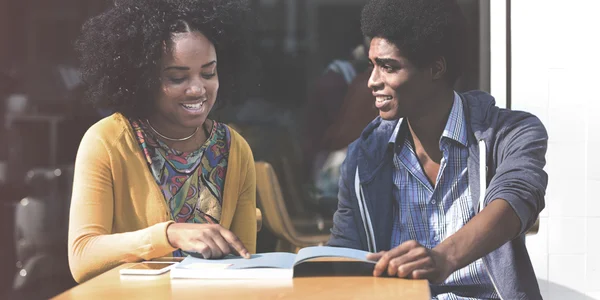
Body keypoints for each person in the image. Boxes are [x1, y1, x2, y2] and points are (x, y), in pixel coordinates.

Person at [328, 0, 548, 299]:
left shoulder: (510, 133)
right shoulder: (364, 156)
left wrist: (444, 258)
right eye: (372, 66)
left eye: (389, 67)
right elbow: (346, 250)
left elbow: (517, 196)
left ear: (436, 68)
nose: (372, 82)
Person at [68, 0, 257, 283]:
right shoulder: (107, 141)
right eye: (178, 77)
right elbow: (82, 256)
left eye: (208, 73)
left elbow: (244, 263)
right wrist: (169, 234)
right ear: (142, 78)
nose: (197, 89)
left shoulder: (234, 148)